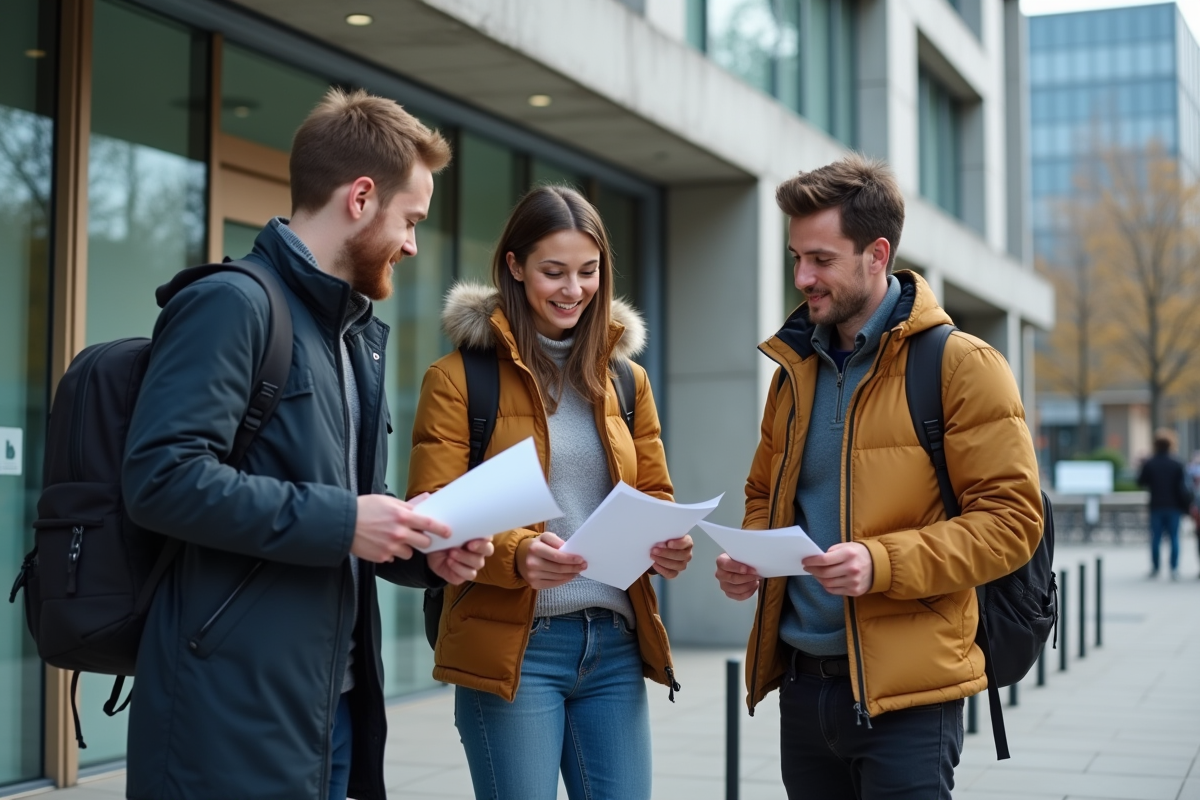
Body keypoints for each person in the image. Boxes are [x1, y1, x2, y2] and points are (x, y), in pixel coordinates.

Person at [122, 88, 494, 800]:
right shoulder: (231, 304)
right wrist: (347, 521)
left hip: (332, 709)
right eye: (410, 220)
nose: (414, 244)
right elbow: (162, 478)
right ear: (360, 197)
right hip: (227, 710)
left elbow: (343, 500)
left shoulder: (352, 338)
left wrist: (422, 547)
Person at [714, 155, 1043, 799]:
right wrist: (754, 554)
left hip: (909, 699)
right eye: (795, 258)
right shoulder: (793, 372)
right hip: (803, 689)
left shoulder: (962, 366)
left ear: (877, 254)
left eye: (821, 259)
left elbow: (1012, 525)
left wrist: (879, 562)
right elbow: (765, 492)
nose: (803, 277)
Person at [407, 185, 692, 800]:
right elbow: (433, 513)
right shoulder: (459, 379)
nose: (573, 290)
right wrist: (516, 554)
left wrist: (665, 540)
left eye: (588, 272)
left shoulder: (624, 379)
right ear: (514, 266)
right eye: (553, 272)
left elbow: (653, 492)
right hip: (515, 647)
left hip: (614, 643)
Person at [1137, 429, 1191, 580]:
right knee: (1174, 537)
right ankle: (1174, 568)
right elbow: (1183, 488)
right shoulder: (1177, 463)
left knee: (1156, 538)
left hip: (1156, 506)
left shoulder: (1150, 463)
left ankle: (1156, 567)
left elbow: (1140, 482)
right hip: (1174, 506)